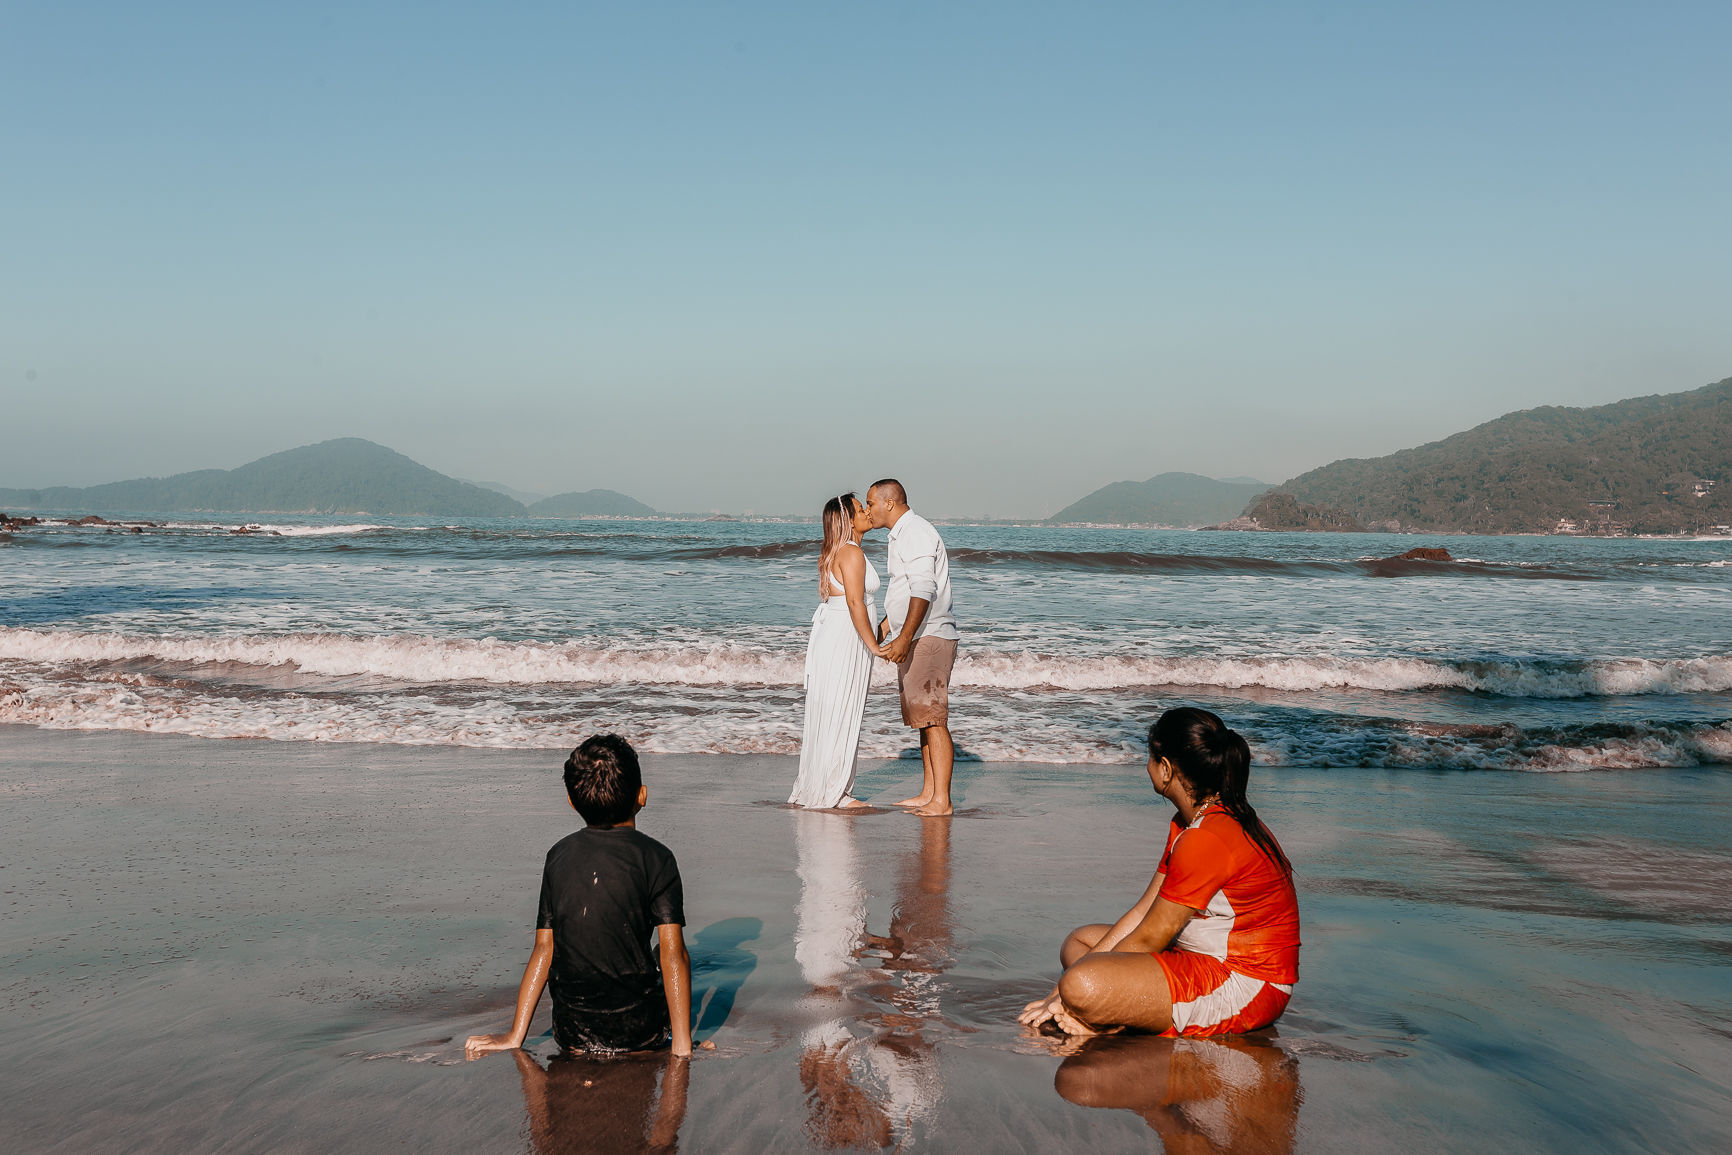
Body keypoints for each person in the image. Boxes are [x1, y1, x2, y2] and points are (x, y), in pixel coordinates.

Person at [1020, 707, 1299, 1038]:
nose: (1146, 765)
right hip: (1197, 957)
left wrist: (1066, 997)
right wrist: (1056, 992)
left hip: (1247, 985)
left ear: (1165, 769)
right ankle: (1112, 1008)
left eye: (1150, 757)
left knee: (1080, 983)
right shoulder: (1190, 822)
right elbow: (1142, 912)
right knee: (1079, 942)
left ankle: (1107, 1019)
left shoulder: (1206, 837)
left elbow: (1152, 937)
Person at [466, 734, 694, 1060]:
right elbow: (674, 957)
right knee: (666, 952)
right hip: (640, 1032)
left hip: (570, 1031)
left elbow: (545, 949)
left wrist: (514, 1036)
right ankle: (676, 1038)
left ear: (572, 802)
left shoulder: (557, 856)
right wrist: (681, 1048)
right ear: (641, 796)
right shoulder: (658, 858)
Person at [865, 479, 960, 817]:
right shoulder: (902, 535)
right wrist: (883, 628)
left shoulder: (915, 531)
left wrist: (904, 637)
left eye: (871, 503)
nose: (867, 510)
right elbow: (905, 594)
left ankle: (942, 801)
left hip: (929, 636)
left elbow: (923, 590)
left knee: (934, 719)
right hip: (917, 633)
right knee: (923, 718)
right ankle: (928, 793)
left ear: (889, 503)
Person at [789, 493, 882, 809]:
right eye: (860, 508)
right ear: (848, 519)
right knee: (842, 709)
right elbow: (855, 603)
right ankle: (835, 792)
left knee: (833, 710)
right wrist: (874, 644)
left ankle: (827, 786)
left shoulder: (838, 551)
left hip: (839, 635)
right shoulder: (851, 554)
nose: (868, 511)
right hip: (847, 638)